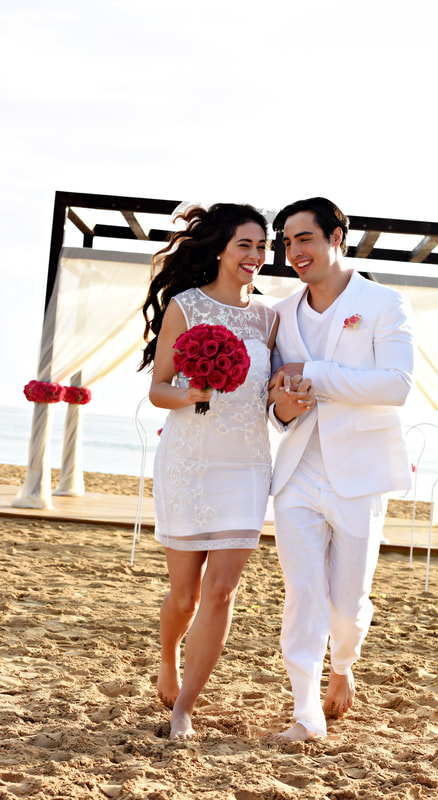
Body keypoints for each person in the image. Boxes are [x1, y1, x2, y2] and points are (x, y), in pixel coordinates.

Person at [268, 197, 415, 741]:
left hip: (360, 473)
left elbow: (397, 385)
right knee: (303, 593)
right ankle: (305, 714)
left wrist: (316, 373)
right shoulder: (280, 313)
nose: (293, 252)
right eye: (286, 242)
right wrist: (285, 405)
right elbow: (277, 402)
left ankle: (343, 666)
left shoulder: (383, 302)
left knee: (347, 604)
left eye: (303, 239)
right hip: (298, 474)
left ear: (337, 237)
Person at [140, 203, 278, 739]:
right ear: (221, 248)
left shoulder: (271, 317)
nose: (256, 256)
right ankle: (168, 654)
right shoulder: (186, 307)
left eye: (263, 247)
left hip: (246, 465)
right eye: (246, 245)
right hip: (189, 462)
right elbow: (158, 389)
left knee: (221, 592)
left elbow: (273, 390)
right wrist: (191, 393)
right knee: (185, 597)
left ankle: (184, 710)